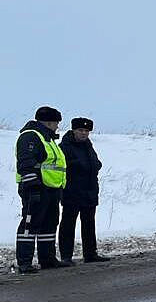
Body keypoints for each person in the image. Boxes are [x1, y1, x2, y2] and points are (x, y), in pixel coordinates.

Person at [14, 105, 70, 273]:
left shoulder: (48, 139)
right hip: (35, 188)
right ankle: (24, 262)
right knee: (30, 224)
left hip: (51, 189)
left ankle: (48, 259)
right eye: (56, 123)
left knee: (49, 224)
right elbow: (26, 162)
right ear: (48, 122)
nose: (58, 126)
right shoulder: (31, 136)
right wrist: (33, 186)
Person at [58, 117, 109, 263]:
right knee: (68, 224)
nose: (84, 133)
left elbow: (95, 163)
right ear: (74, 130)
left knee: (89, 224)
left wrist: (95, 166)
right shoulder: (65, 146)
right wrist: (78, 165)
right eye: (81, 130)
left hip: (89, 191)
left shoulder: (88, 146)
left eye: (86, 131)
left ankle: (90, 253)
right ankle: (66, 256)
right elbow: (64, 167)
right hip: (72, 191)